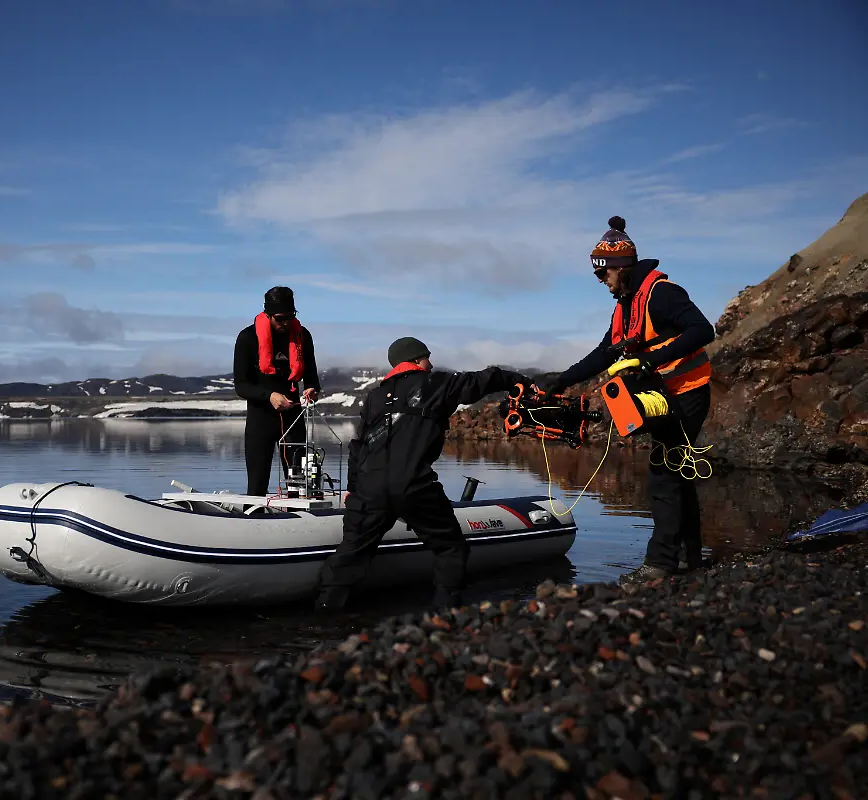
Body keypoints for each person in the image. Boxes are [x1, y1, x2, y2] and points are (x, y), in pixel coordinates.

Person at [543, 216, 715, 584]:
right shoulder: (625, 304)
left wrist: (653, 360)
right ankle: (689, 557)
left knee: (664, 475)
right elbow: (606, 351)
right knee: (677, 475)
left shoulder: (663, 294)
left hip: (688, 391)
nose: (602, 283)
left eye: (603, 275)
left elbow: (703, 330)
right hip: (664, 396)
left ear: (620, 268)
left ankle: (660, 564)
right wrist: (561, 381)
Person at [313, 336, 532, 611]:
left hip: (370, 486)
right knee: (450, 548)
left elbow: (358, 447)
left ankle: (325, 612)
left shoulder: (376, 396)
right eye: (427, 357)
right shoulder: (434, 384)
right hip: (414, 484)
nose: (431, 363)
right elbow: (483, 380)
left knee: (352, 551)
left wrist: (353, 488)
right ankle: (445, 613)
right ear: (416, 360)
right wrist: (518, 379)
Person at [232, 286, 321, 497]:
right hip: (260, 419)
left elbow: (312, 376)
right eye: (280, 318)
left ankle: (301, 524)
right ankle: (253, 523)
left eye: (290, 317)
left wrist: (312, 389)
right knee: (257, 485)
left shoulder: (302, 336)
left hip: (293, 419)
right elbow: (240, 386)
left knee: (299, 486)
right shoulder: (247, 338)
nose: (285, 323)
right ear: (268, 314)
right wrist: (269, 396)